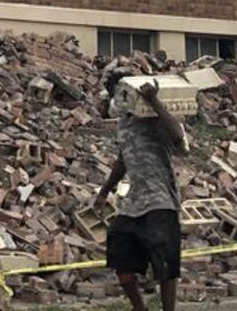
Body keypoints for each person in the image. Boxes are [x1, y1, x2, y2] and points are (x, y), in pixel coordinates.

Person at [92, 72, 188, 311]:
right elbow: (123, 160)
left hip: (160, 200)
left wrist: (154, 101)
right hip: (133, 202)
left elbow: (178, 136)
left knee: (164, 262)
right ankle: (140, 308)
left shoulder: (154, 118)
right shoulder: (123, 123)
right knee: (120, 255)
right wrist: (104, 192)